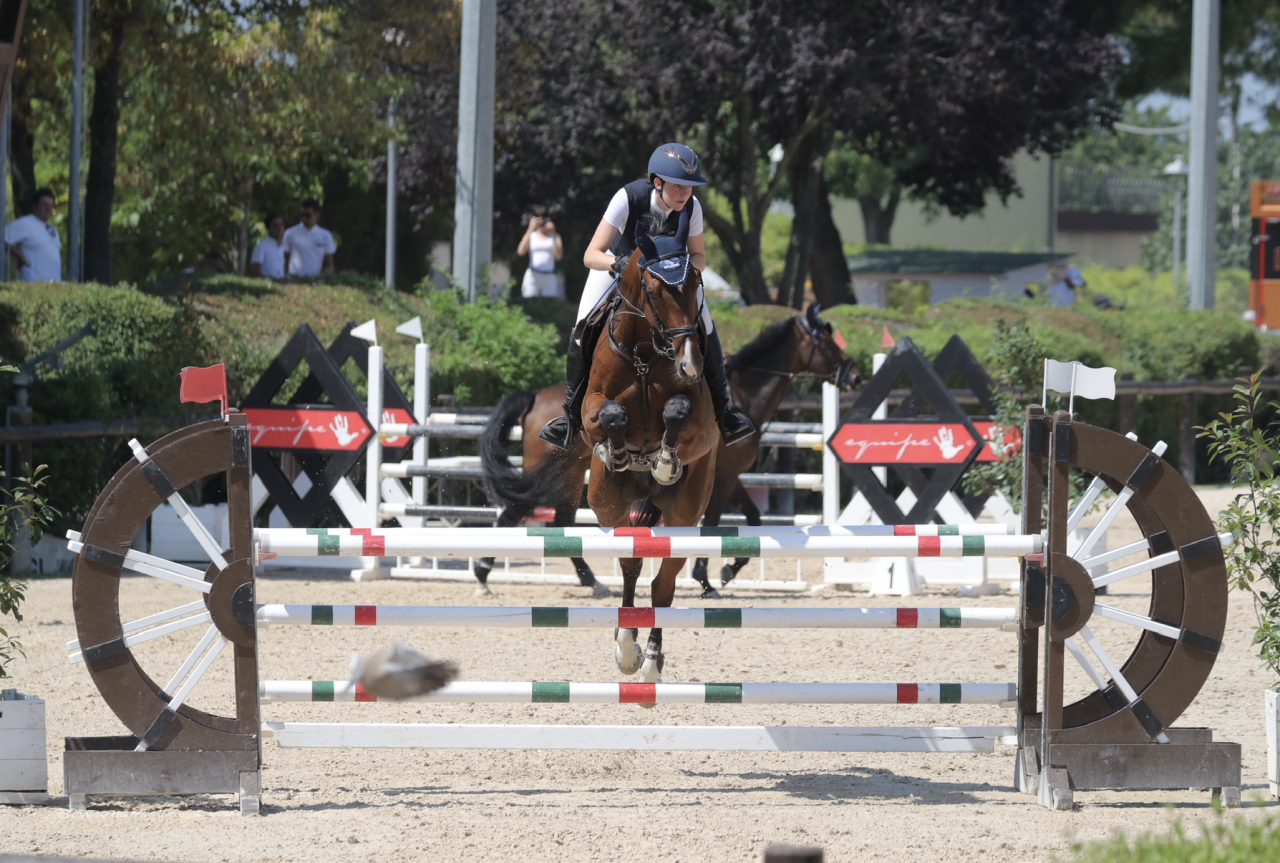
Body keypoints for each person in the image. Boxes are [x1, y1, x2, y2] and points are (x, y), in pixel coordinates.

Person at [539, 143, 754, 449]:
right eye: (678, 185)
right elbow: (591, 254)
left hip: (670, 281)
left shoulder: (692, 208)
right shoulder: (628, 198)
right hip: (616, 270)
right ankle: (571, 418)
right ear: (657, 182)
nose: (685, 193)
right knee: (582, 329)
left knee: (705, 325)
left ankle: (724, 413)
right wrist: (620, 264)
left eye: (690, 187)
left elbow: (699, 257)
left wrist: (682, 275)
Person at [5, 188, 62, 282]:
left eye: (51, 205)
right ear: (35, 206)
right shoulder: (25, 223)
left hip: (54, 285)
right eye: (44, 205)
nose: (48, 208)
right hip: (33, 283)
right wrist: (19, 255)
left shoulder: (52, 229)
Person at [283, 198, 336, 277]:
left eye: (308, 215)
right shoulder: (290, 233)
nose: (304, 218)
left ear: (317, 214)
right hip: (293, 279)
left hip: (315, 281)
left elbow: (330, 263)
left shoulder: (326, 235)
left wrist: (325, 280)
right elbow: (284, 260)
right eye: (302, 215)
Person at [517, 212, 564, 298]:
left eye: (545, 221)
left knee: (549, 304)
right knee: (529, 302)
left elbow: (559, 256)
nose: (543, 224)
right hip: (533, 275)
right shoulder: (531, 235)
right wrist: (530, 228)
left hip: (549, 276)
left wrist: (553, 233)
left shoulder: (554, 237)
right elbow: (521, 251)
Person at [250, 213, 286, 279]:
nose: (279, 228)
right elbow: (255, 269)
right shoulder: (261, 246)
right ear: (268, 227)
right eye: (275, 225)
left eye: (281, 224)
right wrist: (267, 282)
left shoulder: (284, 246)